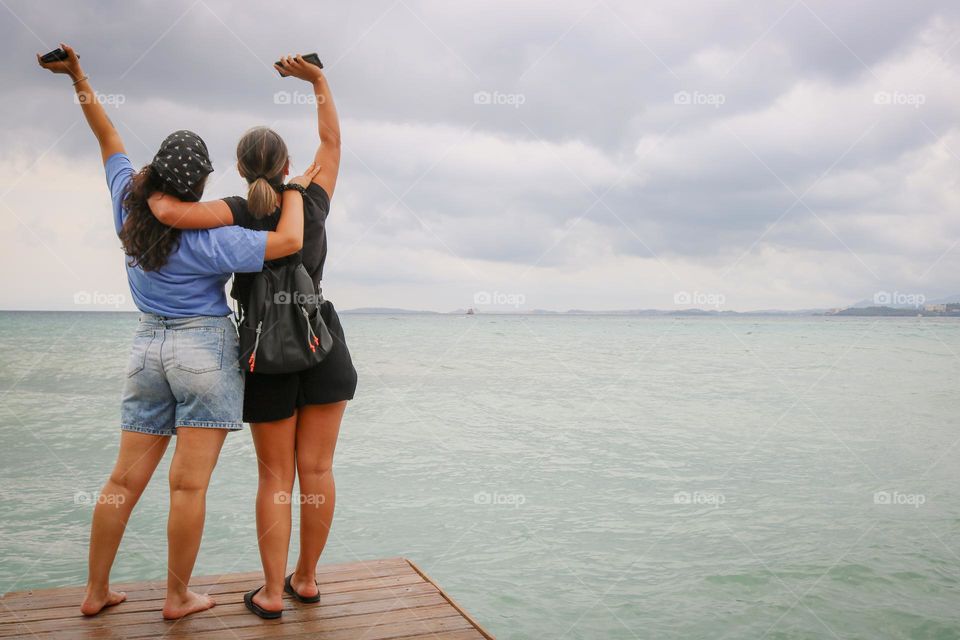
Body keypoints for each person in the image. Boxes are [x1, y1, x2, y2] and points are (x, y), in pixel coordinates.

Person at [37, 43, 320, 620]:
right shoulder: (215, 238)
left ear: (158, 172)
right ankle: (176, 597)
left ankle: (95, 592)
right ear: (202, 185)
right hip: (204, 350)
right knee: (187, 488)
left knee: (122, 477)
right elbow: (289, 243)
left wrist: (78, 75)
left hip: (147, 347)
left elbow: (106, 135)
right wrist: (295, 188)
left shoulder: (126, 204)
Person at [149, 54, 357, 618]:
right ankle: (307, 580)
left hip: (265, 356)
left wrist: (153, 197)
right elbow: (333, 141)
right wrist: (317, 81)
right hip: (322, 348)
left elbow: (173, 216)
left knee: (275, 478)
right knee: (316, 471)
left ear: (240, 170)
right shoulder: (309, 200)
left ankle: (270, 592)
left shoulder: (233, 210)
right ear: (286, 164)